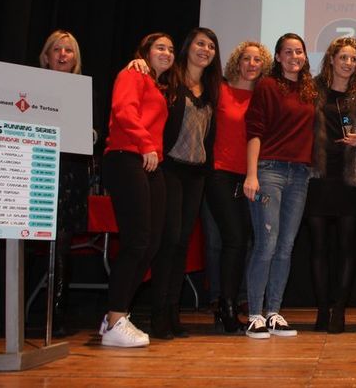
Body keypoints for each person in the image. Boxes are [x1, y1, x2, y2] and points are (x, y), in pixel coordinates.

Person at [99, 32, 174, 347]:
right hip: (127, 156)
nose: (167, 52)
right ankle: (115, 318)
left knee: (151, 243)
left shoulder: (156, 84)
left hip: (148, 162)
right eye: (160, 47)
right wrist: (145, 144)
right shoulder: (132, 73)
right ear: (144, 52)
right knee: (137, 241)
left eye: (171, 49)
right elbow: (123, 110)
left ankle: (115, 316)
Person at [149, 28, 221, 339]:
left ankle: (173, 312)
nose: (206, 50)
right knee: (168, 241)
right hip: (169, 169)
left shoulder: (212, 89)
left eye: (211, 46)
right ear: (188, 47)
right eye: (200, 44)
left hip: (196, 174)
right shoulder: (170, 80)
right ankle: (158, 315)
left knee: (181, 244)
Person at [243, 33, 316, 339]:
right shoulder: (267, 86)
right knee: (267, 244)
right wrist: (251, 174)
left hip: (299, 175)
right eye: (287, 52)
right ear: (277, 57)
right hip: (268, 171)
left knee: (286, 246)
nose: (294, 57)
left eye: (298, 51)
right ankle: (254, 315)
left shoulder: (310, 91)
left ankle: (273, 312)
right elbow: (254, 131)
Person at [204, 40, 272, 333]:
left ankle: (231, 302)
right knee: (230, 239)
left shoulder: (263, 97)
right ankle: (225, 304)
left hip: (252, 178)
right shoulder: (219, 90)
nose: (252, 64)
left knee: (244, 241)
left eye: (258, 60)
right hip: (219, 173)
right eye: (246, 58)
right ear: (237, 62)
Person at [307, 37, 356, 334]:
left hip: (350, 177)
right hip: (317, 176)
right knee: (318, 247)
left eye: (353, 59)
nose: (348, 63)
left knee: (347, 247)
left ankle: (339, 310)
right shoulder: (312, 89)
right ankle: (322, 309)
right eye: (343, 57)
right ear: (331, 59)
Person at [38, 30, 93, 336]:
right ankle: (22, 310)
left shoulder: (82, 90)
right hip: (37, 167)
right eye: (56, 49)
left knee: (62, 243)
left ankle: (56, 313)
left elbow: (88, 132)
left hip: (70, 172)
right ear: (46, 56)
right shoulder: (30, 85)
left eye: (68, 50)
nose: (62, 55)